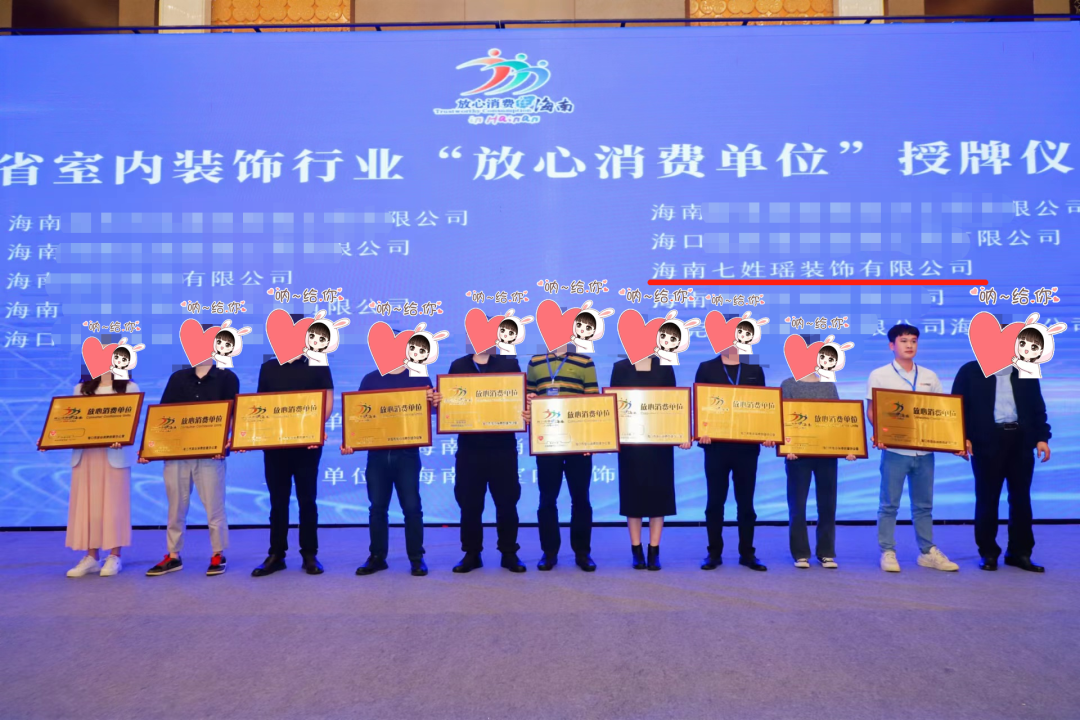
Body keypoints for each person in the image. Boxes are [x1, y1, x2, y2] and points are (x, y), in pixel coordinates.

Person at [866, 324, 964, 573]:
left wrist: (954, 441)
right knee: (889, 504)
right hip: (895, 452)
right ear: (892, 345)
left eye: (913, 341)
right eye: (903, 341)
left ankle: (927, 552)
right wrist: (881, 434)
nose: (909, 345)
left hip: (925, 452)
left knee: (924, 506)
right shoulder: (879, 375)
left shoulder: (930, 376)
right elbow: (872, 411)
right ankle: (888, 551)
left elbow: (943, 413)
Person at [952, 352, 1052, 572]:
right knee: (987, 499)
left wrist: (1042, 438)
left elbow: (1037, 407)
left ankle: (1019, 553)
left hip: (1021, 441)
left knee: (1021, 499)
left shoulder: (1026, 371)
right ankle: (988, 552)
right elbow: (956, 408)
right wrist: (961, 437)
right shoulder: (970, 371)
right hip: (986, 442)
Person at [141, 357, 239, 577]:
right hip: (177, 453)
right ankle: (173, 555)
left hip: (210, 453)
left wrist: (225, 440)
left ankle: (218, 554)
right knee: (175, 507)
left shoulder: (227, 378)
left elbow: (233, 414)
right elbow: (163, 417)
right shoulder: (178, 377)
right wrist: (150, 448)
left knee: (214, 506)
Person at [344, 365, 441, 577]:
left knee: (412, 507)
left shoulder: (419, 378)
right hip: (377, 455)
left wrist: (434, 401)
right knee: (377, 507)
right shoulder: (370, 379)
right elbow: (357, 415)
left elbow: (432, 411)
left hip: (407, 454)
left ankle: (416, 558)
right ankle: (377, 557)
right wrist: (350, 441)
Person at [245, 353, 334, 576]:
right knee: (278, 501)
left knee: (307, 500)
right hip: (275, 445)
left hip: (307, 444)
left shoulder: (318, 364)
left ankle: (309, 554)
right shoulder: (268, 367)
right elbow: (260, 406)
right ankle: (276, 554)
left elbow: (327, 400)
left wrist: (315, 429)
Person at [49, 369, 138, 577]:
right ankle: (91, 557)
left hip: (115, 454)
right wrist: (51, 438)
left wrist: (122, 436)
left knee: (114, 505)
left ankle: (114, 556)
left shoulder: (129, 387)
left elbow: (131, 421)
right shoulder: (80, 389)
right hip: (86, 454)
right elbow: (71, 421)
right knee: (87, 505)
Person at [447, 346, 526, 573]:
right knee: (469, 503)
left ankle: (509, 553)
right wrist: (440, 399)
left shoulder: (509, 364)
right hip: (470, 448)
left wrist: (527, 405)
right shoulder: (458, 366)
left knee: (507, 502)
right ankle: (472, 553)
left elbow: (519, 400)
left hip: (503, 446)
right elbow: (451, 402)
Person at [609, 355, 692, 570]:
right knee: (632, 496)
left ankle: (654, 550)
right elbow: (612, 405)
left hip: (659, 443)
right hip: (630, 443)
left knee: (658, 496)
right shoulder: (620, 367)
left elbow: (675, 404)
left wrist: (681, 433)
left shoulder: (664, 367)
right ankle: (636, 549)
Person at [696, 345, 774, 571]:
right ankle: (714, 553)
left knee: (746, 504)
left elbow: (763, 406)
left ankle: (747, 553)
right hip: (716, 447)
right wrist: (702, 431)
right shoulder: (706, 368)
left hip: (746, 447)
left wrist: (767, 433)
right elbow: (701, 404)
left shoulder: (754, 369)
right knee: (714, 503)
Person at [526, 342, 599, 572]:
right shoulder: (535, 362)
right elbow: (528, 399)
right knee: (547, 499)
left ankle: (582, 552)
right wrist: (528, 405)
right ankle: (549, 552)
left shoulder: (585, 361)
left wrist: (590, 441)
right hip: (547, 441)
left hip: (578, 443)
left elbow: (593, 403)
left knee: (581, 499)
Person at [780, 372, 857, 569]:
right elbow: (783, 418)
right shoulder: (788, 384)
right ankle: (800, 553)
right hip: (797, 456)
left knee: (828, 505)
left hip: (827, 454)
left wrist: (849, 446)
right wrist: (786, 447)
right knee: (797, 506)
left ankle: (826, 552)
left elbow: (839, 420)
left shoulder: (828, 385)